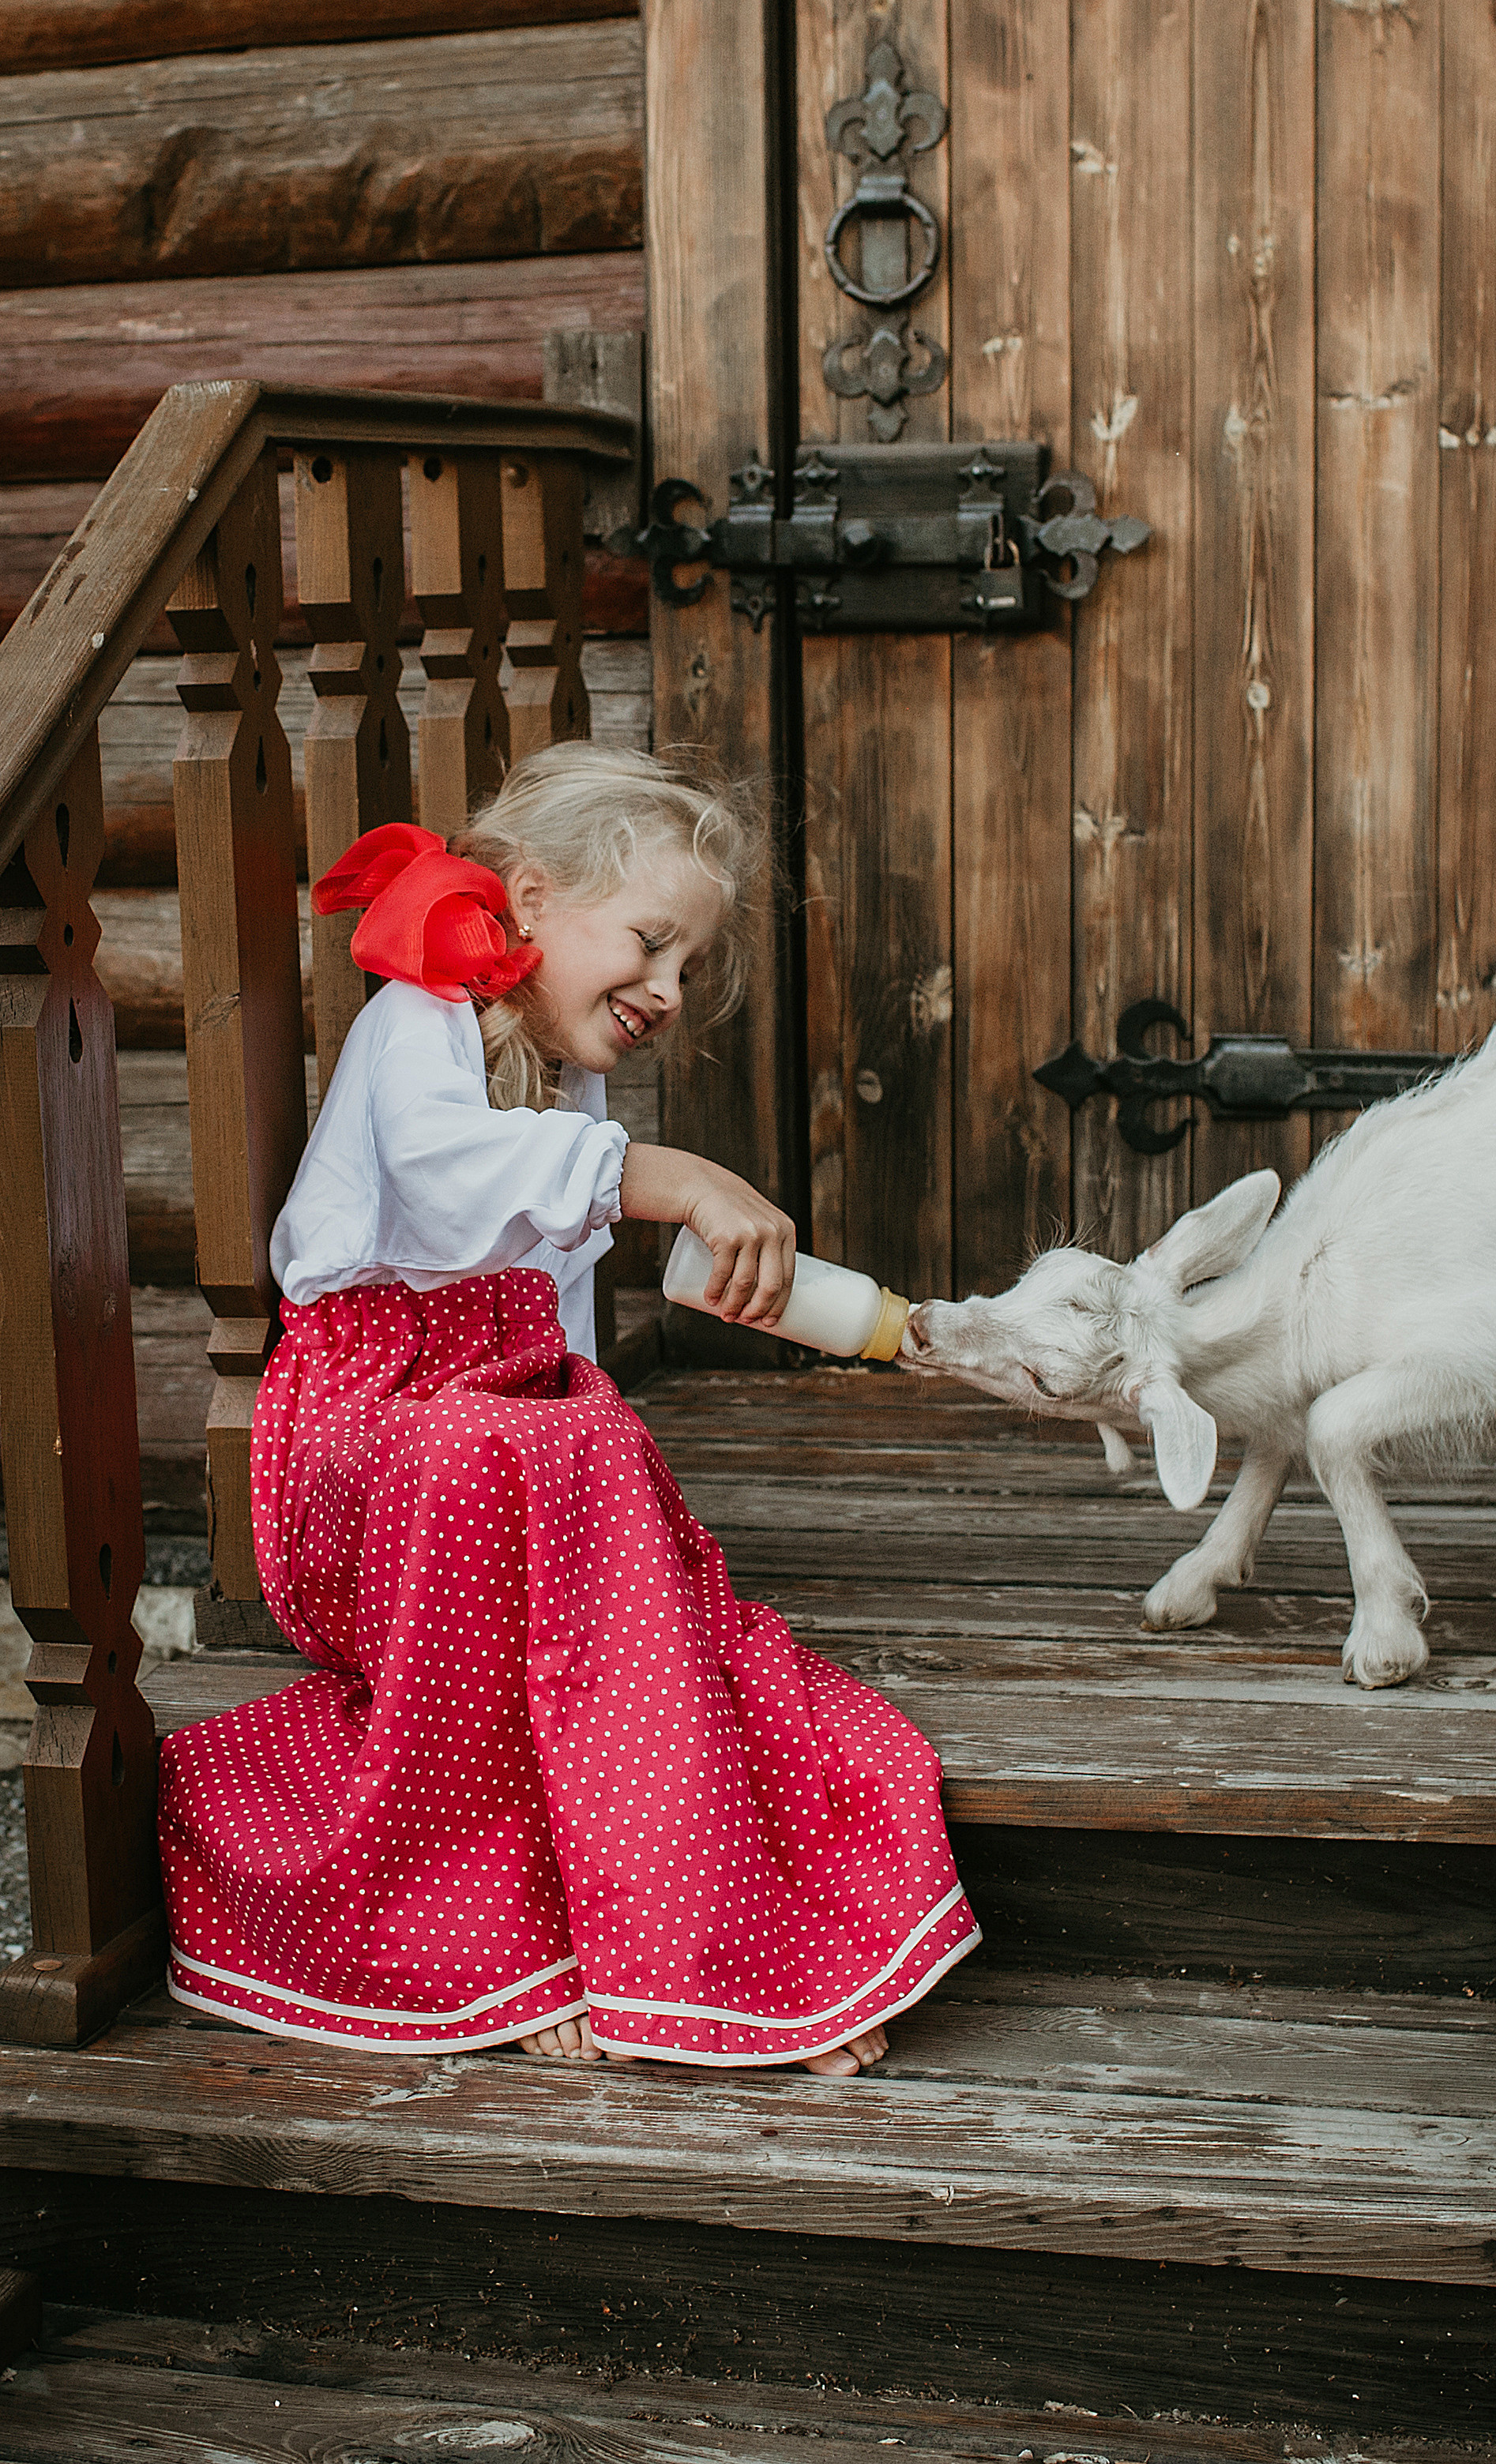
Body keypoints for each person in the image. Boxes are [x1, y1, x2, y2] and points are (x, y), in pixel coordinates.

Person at [157, 746, 979, 2074]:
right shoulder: (419, 1018)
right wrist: (677, 1176)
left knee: (608, 1490)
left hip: (502, 1438)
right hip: (370, 1451)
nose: (669, 990)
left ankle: (712, 1946)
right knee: (505, 1452)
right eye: (651, 944)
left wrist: (608, 1460)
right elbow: (445, 1178)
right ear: (531, 895)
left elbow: (556, 1324)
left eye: (688, 966)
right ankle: (492, 1943)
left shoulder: (562, 1076)